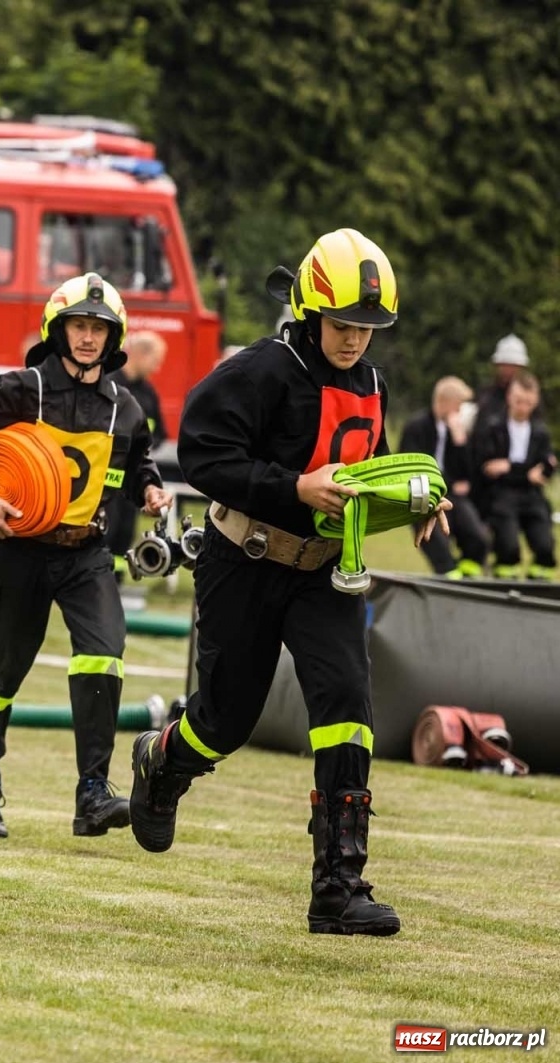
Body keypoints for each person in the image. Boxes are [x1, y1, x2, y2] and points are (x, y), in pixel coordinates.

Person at [128, 229, 449, 937]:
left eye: (367, 327)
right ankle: (162, 760)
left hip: (325, 573)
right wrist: (294, 487)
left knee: (347, 709)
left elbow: (369, 466)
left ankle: (339, 887)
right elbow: (203, 455)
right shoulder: (260, 371)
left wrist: (414, 500)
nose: (355, 339)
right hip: (243, 561)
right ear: (309, 310)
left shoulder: (372, 383)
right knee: (226, 721)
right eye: (342, 324)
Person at [0, 274, 169, 840]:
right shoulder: (22, 389)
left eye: (99, 329)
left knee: (104, 654)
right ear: (57, 330)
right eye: (78, 326)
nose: (88, 338)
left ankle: (93, 793)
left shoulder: (126, 407)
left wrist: (149, 488)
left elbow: (138, 461)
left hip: (87, 553)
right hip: (20, 551)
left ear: (114, 338)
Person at [399, 375, 487, 577]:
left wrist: (460, 442)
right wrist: (450, 484)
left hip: (452, 496)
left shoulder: (455, 430)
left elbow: (467, 473)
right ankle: (450, 578)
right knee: (437, 542)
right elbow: (412, 467)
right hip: (424, 496)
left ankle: (468, 578)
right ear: (446, 402)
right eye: (459, 406)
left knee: (478, 538)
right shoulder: (416, 427)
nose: (461, 411)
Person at [472, 370, 556, 580]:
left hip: (532, 496)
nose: (523, 407)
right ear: (509, 397)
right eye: (519, 401)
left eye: (528, 402)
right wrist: (526, 473)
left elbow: (547, 467)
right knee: (508, 547)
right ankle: (504, 581)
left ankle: (538, 586)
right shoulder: (493, 427)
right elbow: (487, 468)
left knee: (545, 546)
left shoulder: (541, 432)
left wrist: (509, 467)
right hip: (502, 495)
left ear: (535, 401)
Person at [106, 330, 169, 573]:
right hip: (104, 481)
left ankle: (118, 584)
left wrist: (143, 447)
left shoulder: (148, 393)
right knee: (105, 533)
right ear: (141, 354)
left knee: (124, 534)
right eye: (156, 360)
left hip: (131, 479)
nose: (158, 368)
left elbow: (160, 432)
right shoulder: (109, 384)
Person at [475, 334, 529, 417]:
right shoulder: (485, 395)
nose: (509, 370)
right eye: (505, 365)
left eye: (513, 366)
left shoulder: (528, 397)